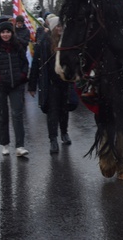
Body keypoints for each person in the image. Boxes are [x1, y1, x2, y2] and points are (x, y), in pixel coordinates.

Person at [28, 14, 75, 154]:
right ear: (53, 27)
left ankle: (64, 132)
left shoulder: (67, 41)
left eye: (62, 25)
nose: (60, 28)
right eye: (58, 26)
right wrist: (32, 85)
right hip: (50, 83)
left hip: (65, 82)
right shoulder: (43, 43)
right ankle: (53, 139)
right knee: (52, 112)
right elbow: (36, 64)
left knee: (64, 110)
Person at [0, 21, 30, 157]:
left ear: (12, 33)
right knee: (2, 115)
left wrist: (22, 75)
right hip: (1, 87)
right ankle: (5, 144)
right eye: (3, 32)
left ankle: (20, 146)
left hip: (16, 86)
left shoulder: (18, 47)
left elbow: (25, 63)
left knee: (17, 115)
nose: (5, 34)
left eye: (8, 32)